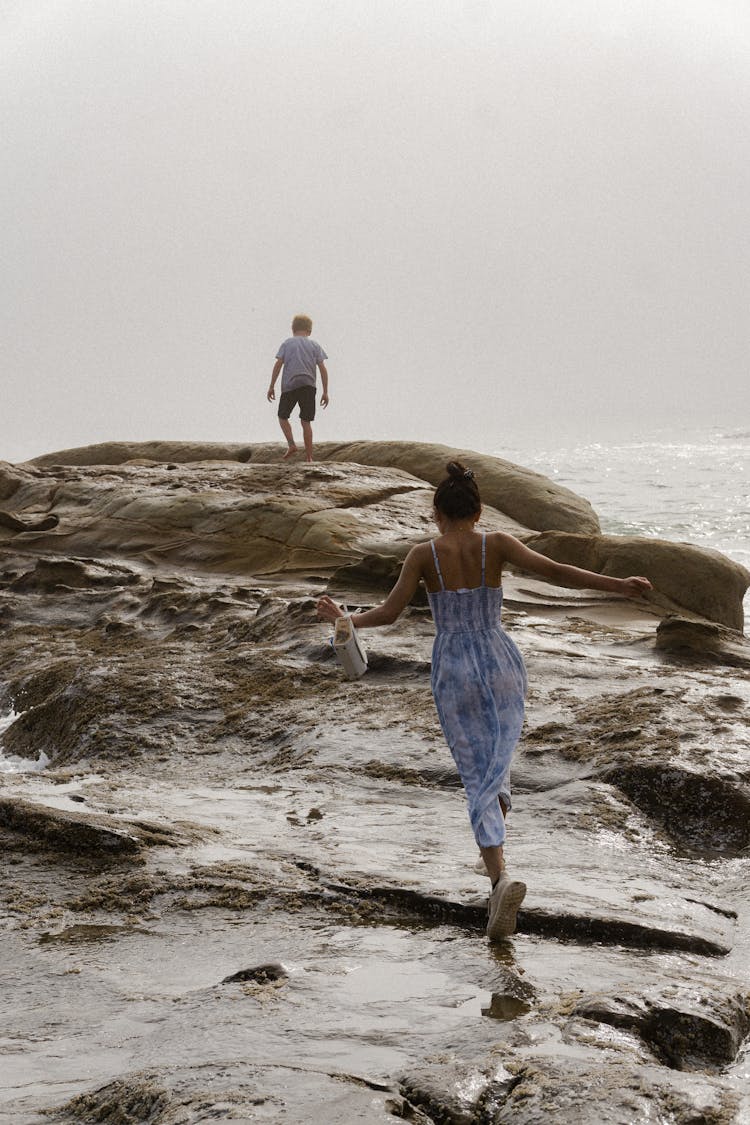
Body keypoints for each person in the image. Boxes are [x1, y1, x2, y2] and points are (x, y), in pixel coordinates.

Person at [317, 461, 653, 941]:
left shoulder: (422, 555)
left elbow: (390, 613)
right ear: (477, 512)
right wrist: (618, 585)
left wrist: (344, 618)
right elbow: (556, 571)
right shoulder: (495, 544)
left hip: (453, 665)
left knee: (477, 773)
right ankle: (492, 851)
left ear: (437, 513)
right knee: (497, 762)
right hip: (500, 661)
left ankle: (499, 882)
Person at [267, 315, 329, 462]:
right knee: (306, 421)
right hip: (309, 386)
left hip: (290, 386)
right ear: (310, 331)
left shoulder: (287, 343)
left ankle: (292, 445)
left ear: (293, 329)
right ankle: (309, 457)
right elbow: (323, 369)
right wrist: (325, 392)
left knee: (282, 417)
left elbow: (278, 365)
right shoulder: (314, 345)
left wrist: (271, 386)